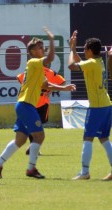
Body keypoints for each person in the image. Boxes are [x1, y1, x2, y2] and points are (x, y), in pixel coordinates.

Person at [0, 27, 76, 179]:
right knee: (40, 136)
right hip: (27, 105)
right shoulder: (34, 62)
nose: (42, 49)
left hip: (23, 105)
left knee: (21, 139)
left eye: (42, 47)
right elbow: (50, 59)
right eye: (39, 47)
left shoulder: (36, 67)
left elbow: (46, 85)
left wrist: (64, 87)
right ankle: (31, 169)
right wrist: (51, 39)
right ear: (32, 52)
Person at [68, 31, 112, 181]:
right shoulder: (97, 62)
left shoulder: (92, 63)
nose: (83, 50)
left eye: (85, 48)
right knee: (104, 139)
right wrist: (74, 49)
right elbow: (81, 63)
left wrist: (70, 50)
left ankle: (84, 172)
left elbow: (71, 66)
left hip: (97, 107)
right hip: (106, 105)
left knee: (88, 138)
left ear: (90, 50)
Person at [17, 66, 65, 155]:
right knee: (35, 125)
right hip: (34, 100)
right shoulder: (36, 70)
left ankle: (32, 148)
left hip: (39, 101)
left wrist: (50, 90)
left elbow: (20, 78)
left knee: (37, 125)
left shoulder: (46, 71)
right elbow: (62, 81)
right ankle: (33, 149)